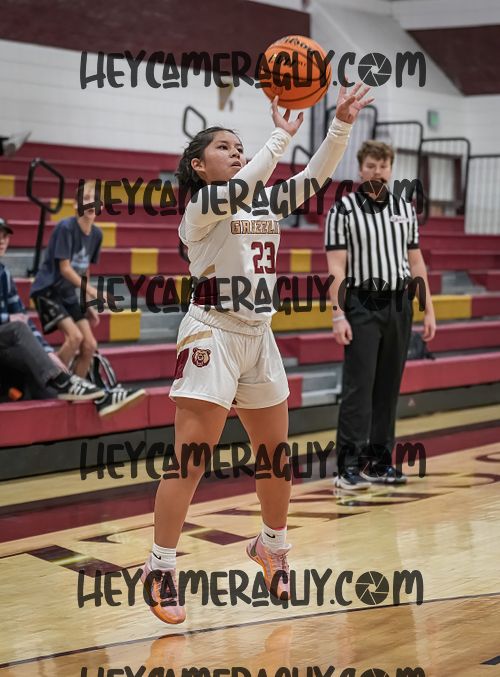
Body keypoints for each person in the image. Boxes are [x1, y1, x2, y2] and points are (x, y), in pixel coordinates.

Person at [141, 83, 374, 624]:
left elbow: (314, 178)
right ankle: (159, 565)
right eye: (225, 147)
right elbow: (247, 181)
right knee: (191, 458)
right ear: (199, 165)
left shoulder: (261, 199)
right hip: (212, 332)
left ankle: (272, 546)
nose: (237, 153)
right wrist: (278, 138)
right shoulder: (201, 206)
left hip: (258, 334)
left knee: (275, 455)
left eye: (239, 147)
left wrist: (340, 123)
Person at [325, 140, 436, 491]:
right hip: (363, 302)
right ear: (361, 169)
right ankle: (347, 467)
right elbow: (336, 268)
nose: (377, 172)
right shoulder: (343, 210)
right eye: (371, 166)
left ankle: (379, 462)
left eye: (383, 166)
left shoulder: (405, 209)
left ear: (391, 169)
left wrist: (428, 308)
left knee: (388, 388)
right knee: (360, 387)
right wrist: (338, 315)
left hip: (399, 303)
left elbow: (416, 261)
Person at [30, 180, 145, 416]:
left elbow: (84, 270)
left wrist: (87, 302)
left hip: (68, 294)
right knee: (74, 338)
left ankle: (73, 394)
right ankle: (46, 384)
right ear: (76, 205)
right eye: (86, 198)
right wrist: (94, 292)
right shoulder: (65, 228)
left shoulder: (97, 234)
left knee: (90, 345)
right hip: (47, 290)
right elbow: (65, 269)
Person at [0, 217, 104, 402]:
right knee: (19, 328)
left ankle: (63, 392)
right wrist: (8, 319)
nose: (2, 241)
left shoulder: (4, 274)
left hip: (5, 341)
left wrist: (48, 353)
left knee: (34, 359)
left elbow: (23, 318)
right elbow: (17, 322)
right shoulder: (67, 228)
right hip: (12, 327)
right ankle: (63, 382)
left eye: (5, 236)